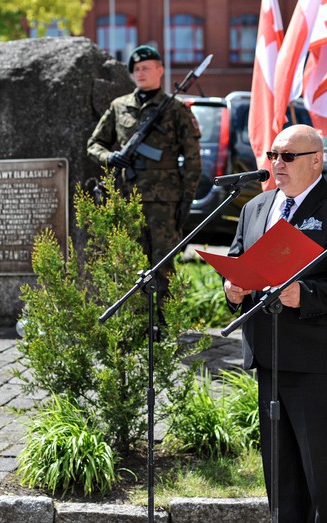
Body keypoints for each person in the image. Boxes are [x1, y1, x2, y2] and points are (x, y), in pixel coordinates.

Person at [223, 124, 327, 523]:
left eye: (288, 156)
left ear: (316, 160)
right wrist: (232, 288)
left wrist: (306, 294)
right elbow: (237, 258)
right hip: (270, 355)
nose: (277, 164)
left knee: (323, 472)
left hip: (318, 360)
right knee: (281, 475)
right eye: (274, 155)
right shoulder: (256, 208)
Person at [87, 45, 201, 321]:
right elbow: (94, 144)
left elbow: (193, 159)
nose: (140, 72)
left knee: (162, 264)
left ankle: (163, 324)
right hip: (127, 198)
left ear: (160, 71)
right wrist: (111, 158)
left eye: (146, 67)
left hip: (164, 202)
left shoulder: (175, 109)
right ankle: (136, 322)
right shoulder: (119, 106)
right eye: (136, 69)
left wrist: (185, 200)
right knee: (130, 262)